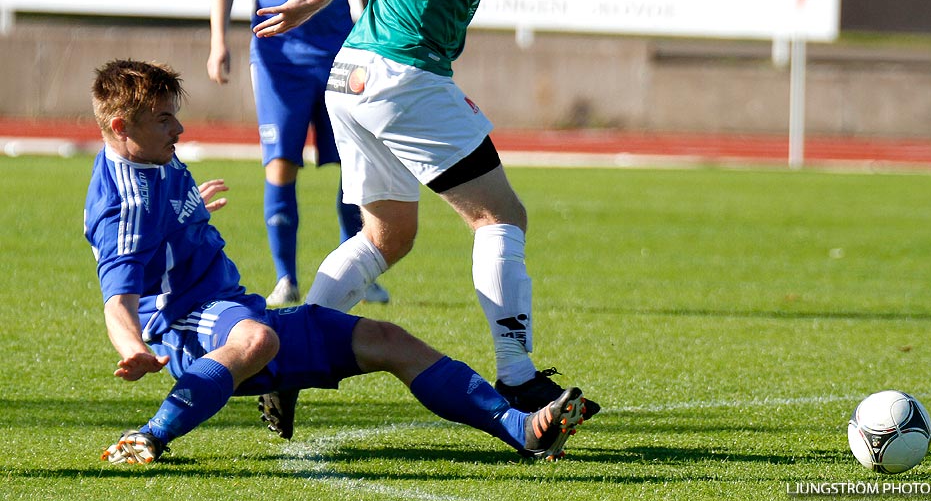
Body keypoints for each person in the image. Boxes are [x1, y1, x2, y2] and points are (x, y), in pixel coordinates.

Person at [252, 0, 615, 432]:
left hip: (358, 75)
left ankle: (286, 357)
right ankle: (518, 376)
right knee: (500, 217)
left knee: (386, 238)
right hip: (405, 76)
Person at [85, 59, 589, 465]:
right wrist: (133, 348)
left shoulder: (145, 155)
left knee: (388, 339)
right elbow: (118, 297)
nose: (179, 127)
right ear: (120, 126)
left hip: (229, 311)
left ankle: (520, 429)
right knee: (257, 339)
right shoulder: (127, 208)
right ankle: (148, 437)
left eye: (174, 113)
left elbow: (157, 216)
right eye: (164, 119)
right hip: (187, 329)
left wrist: (185, 206)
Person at [208, 0, 388, 307]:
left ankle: (355, 272)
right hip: (277, 56)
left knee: (354, 165)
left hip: (340, 52)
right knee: (281, 164)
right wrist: (218, 41)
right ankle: (286, 277)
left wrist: (373, 31)